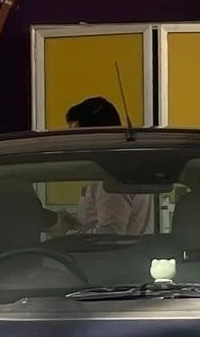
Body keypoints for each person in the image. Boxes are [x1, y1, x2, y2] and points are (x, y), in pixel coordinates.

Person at [52, 96, 153, 237]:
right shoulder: (118, 167)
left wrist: (66, 234)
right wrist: (75, 225)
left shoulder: (111, 176)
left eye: (77, 134)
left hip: (110, 252)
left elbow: (110, 236)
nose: (74, 143)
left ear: (94, 135)